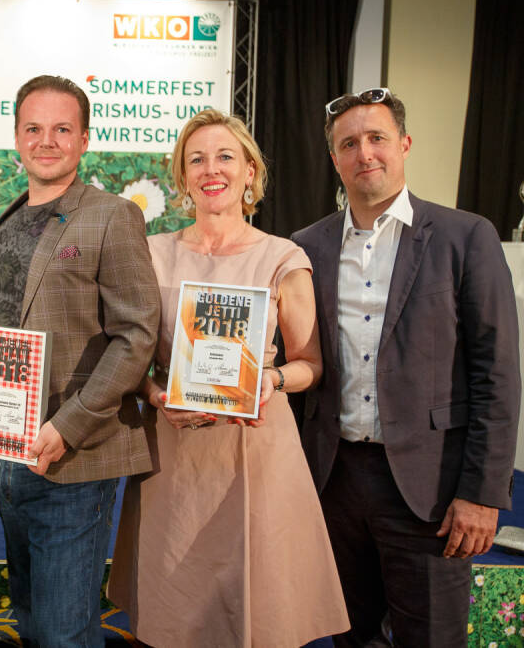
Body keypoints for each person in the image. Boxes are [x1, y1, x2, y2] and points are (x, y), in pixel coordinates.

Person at [107, 108, 350, 646]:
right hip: (174, 450)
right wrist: (153, 393)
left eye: (224, 157)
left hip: (256, 452)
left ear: (249, 172)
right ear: (182, 177)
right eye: (196, 159)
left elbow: (310, 364)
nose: (210, 169)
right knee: (171, 609)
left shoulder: (283, 257)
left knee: (255, 610)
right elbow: (131, 355)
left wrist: (273, 380)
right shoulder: (151, 253)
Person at [292, 88, 521, 646]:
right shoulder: (305, 247)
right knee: (348, 635)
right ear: (334, 158)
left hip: (432, 490)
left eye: (377, 138)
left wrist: (483, 493)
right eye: (349, 143)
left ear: (405, 145)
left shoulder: (466, 237)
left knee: (433, 637)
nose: (364, 153)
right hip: (334, 481)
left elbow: (498, 375)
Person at [0, 75, 160, 647]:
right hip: (6, 452)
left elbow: (136, 336)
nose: (46, 140)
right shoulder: (8, 217)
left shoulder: (111, 215)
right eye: (34, 128)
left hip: (72, 457)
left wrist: (67, 425)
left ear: (84, 139)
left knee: (63, 632)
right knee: (29, 615)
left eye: (61, 129)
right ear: (17, 137)